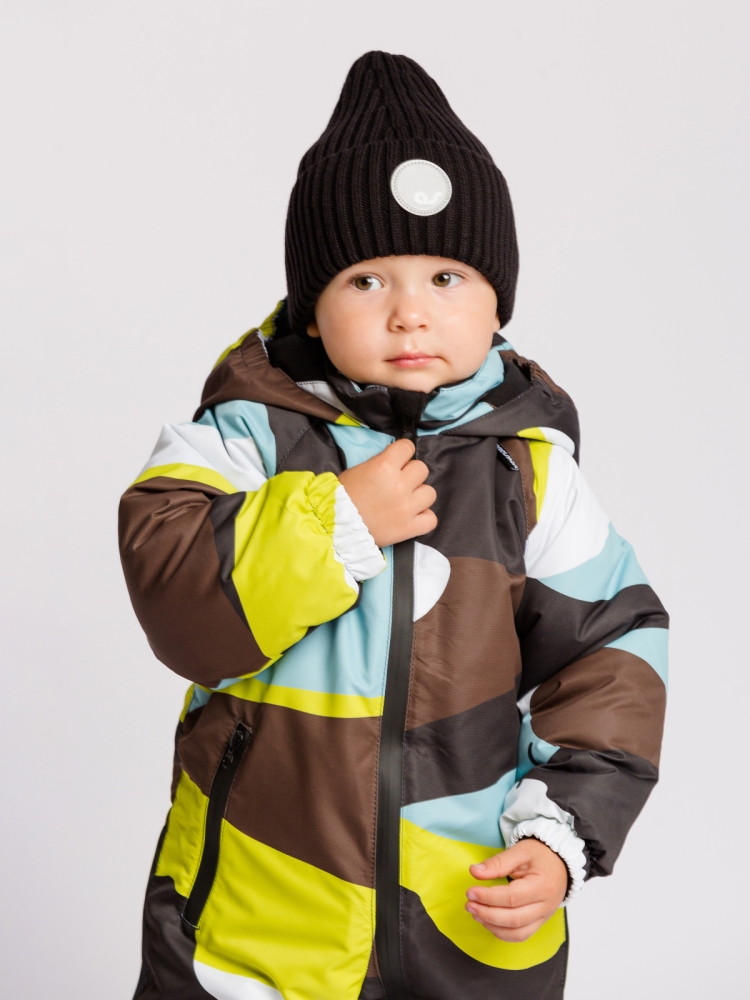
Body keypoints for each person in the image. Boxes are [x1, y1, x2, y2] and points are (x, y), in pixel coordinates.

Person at [119, 51, 668, 1000]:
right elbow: (177, 596)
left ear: (497, 299)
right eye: (368, 279)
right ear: (312, 304)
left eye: (447, 275)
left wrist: (562, 833)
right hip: (256, 916)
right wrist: (331, 522)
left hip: (466, 916)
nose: (411, 312)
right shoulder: (245, 435)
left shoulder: (530, 472)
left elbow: (612, 649)